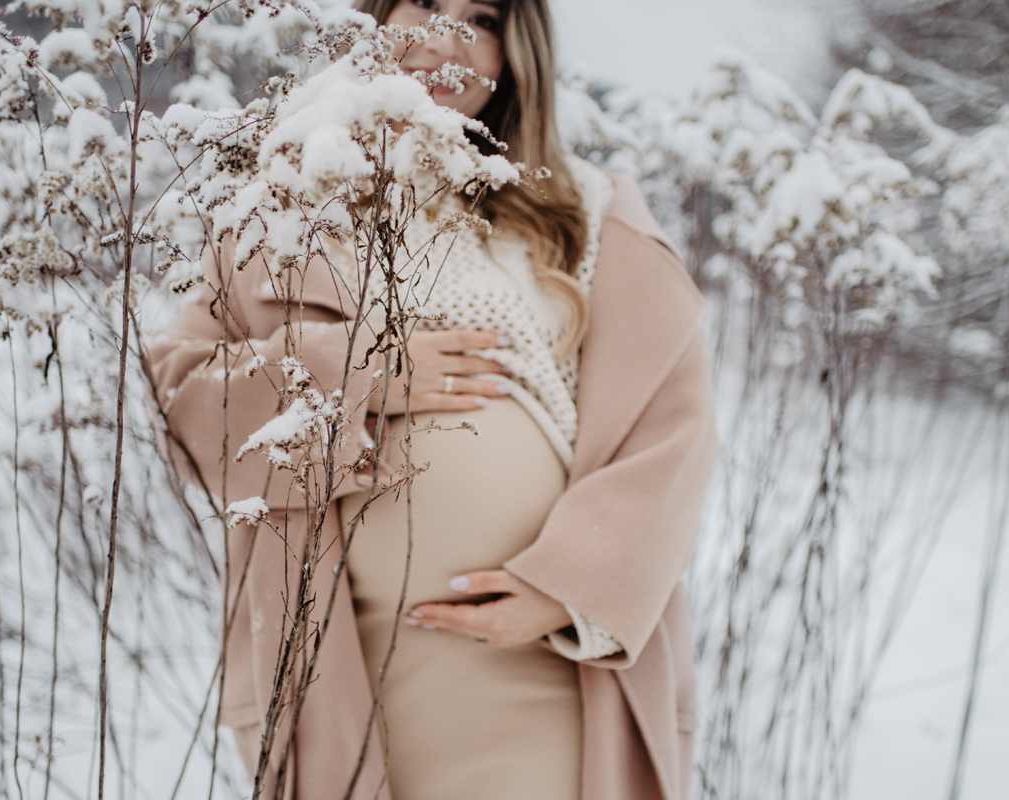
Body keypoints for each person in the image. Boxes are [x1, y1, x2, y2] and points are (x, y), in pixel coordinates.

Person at [148, 0, 718, 798]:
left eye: (481, 17)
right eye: (423, 1)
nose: (446, 40)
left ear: (515, 50)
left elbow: (674, 433)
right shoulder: (288, 210)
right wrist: (352, 375)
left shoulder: (587, 213)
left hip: (552, 672)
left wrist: (569, 586)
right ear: (372, 18)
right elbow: (185, 408)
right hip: (348, 675)